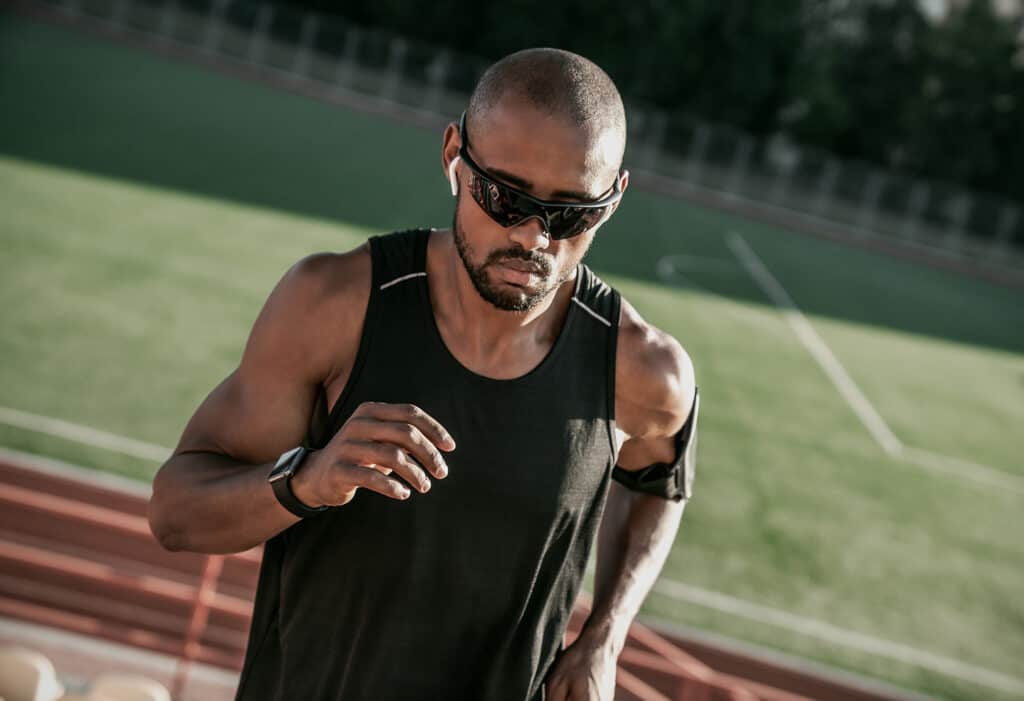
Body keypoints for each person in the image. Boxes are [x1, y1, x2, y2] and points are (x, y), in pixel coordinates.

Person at [148, 47, 698, 701]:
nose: (532, 237)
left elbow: (658, 484)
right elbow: (175, 514)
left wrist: (606, 632)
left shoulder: (642, 371)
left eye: (570, 213)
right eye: (504, 197)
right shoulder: (336, 305)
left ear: (611, 202)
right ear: (453, 158)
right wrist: (306, 480)